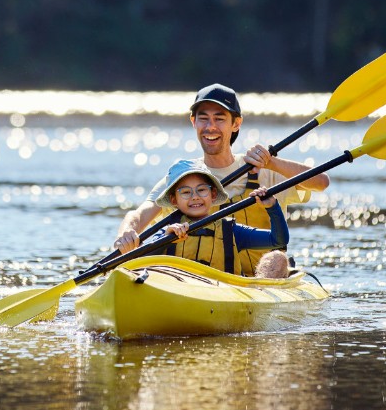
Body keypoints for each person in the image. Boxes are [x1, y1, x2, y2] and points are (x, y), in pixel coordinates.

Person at [113, 82, 330, 277]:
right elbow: (139, 214)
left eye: (219, 118)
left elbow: (321, 182)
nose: (210, 127)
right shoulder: (182, 178)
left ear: (236, 124)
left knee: (278, 259)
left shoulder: (265, 170)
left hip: (260, 283)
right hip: (202, 279)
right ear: (193, 122)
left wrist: (272, 162)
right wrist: (126, 234)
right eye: (203, 118)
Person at [144, 159, 292, 278]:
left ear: (213, 194)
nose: (195, 196)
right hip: (179, 292)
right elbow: (139, 260)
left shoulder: (230, 230)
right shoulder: (168, 231)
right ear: (174, 200)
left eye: (201, 190)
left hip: (225, 294)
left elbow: (278, 240)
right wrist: (164, 239)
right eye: (185, 192)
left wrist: (272, 207)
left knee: (278, 258)